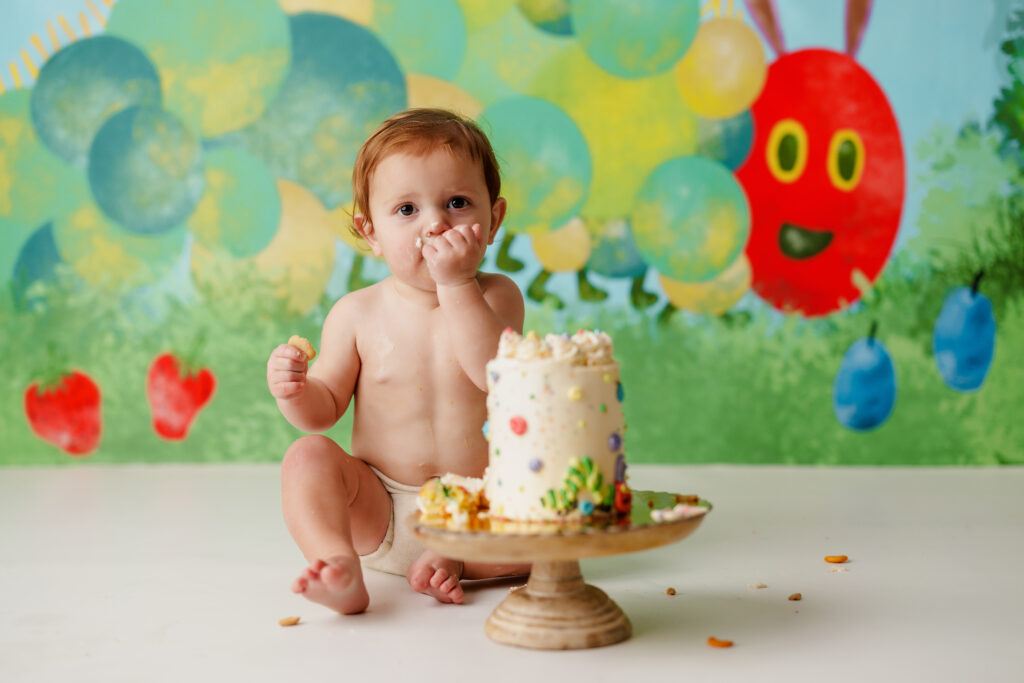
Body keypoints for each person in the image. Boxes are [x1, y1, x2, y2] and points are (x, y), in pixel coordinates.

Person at [266, 108, 529, 614]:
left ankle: (455, 554)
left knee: (549, 513)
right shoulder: (356, 313)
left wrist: (456, 283)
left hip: (481, 506)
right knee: (307, 457)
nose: (435, 224)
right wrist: (296, 392)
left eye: (457, 203)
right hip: (381, 506)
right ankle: (337, 564)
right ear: (371, 232)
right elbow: (326, 409)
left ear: (492, 221)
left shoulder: (497, 296)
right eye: (407, 210)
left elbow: (496, 375)